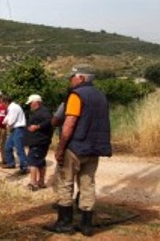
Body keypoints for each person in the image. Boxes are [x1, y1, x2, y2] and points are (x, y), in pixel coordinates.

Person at [46, 65, 112, 236]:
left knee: (65, 183)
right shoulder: (101, 96)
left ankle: (64, 224)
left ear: (81, 78)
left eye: (72, 77)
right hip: (94, 148)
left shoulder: (76, 95)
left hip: (76, 147)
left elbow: (69, 124)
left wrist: (60, 148)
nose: (70, 80)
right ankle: (86, 225)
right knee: (88, 184)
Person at [24, 94, 52, 191]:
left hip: (39, 141)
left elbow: (49, 121)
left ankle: (33, 183)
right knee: (40, 162)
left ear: (36, 102)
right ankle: (41, 181)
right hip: (39, 141)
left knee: (33, 162)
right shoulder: (39, 112)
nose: (30, 105)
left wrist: (37, 126)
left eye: (31, 103)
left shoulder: (43, 112)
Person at [2, 93, 28, 174]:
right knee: (7, 147)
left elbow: (11, 120)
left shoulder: (13, 108)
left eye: (3, 103)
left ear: (6, 102)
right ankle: (11, 163)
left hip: (18, 129)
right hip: (14, 130)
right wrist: (5, 121)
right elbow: (8, 118)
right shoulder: (12, 107)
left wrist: (6, 123)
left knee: (19, 148)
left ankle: (24, 167)